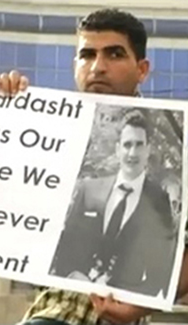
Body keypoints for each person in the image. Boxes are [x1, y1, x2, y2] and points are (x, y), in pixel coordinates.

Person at [0, 8, 188, 325]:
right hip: (48, 315)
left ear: (141, 69)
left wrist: (137, 308)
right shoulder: (50, 131)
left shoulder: (165, 140)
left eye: (114, 54)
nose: (98, 67)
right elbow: (1, 210)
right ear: (75, 66)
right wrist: (3, 112)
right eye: (87, 55)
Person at [50, 113, 177, 299]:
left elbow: (160, 271)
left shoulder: (159, 201)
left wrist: (127, 301)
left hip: (121, 310)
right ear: (118, 149)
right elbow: (65, 247)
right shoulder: (89, 190)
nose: (132, 153)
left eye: (139, 145)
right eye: (127, 145)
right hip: (75, 297)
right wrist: (73, 276)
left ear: (148, 149)